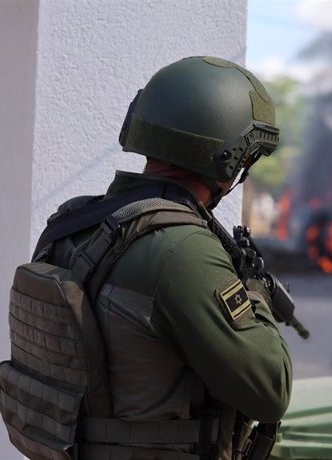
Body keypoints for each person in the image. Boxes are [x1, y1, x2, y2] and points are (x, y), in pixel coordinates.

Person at [34, 56, 291, 460]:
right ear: (229, 158)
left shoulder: (71, 223)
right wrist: (255, 294)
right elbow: (270, 390)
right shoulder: (183, 250)